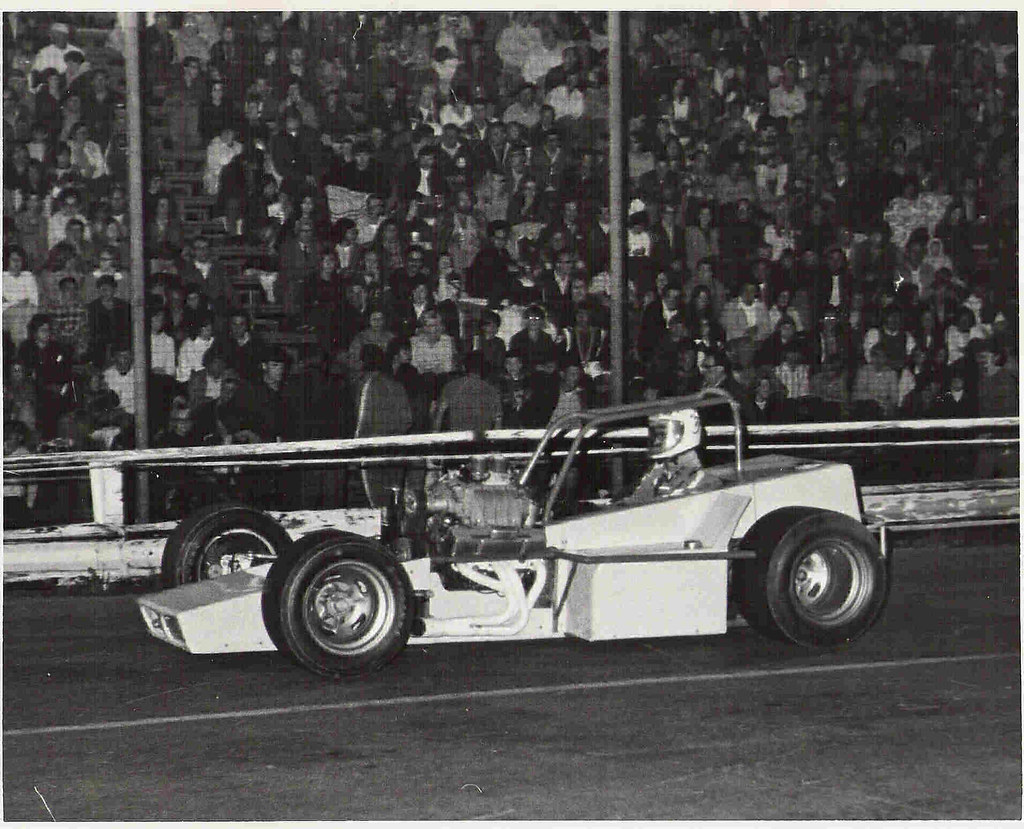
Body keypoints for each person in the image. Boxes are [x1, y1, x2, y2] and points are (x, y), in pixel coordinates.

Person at [623, 408, 722, 504]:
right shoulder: (659, 474)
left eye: (662, 435)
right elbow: (634, 502)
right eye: (655, 435)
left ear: (685, 433)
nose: (656, 441)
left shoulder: (706, 484)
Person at [434, 352, 502, 432]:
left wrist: (434, 436)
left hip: (457, 439)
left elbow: (439, 414)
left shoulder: (451, 386)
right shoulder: (491, 390)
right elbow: (498, 420)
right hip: (482, 439)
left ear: (463, 367)